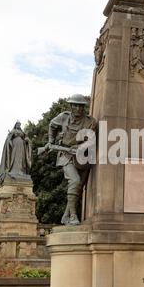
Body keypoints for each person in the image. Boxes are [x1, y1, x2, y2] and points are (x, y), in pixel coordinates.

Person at [45, 94, 97, 226]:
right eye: (75, 105)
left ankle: (65, 216)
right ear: (71, 106)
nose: (78, 108)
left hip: (83, 157)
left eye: (80, 106)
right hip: (65, 154)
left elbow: (92, 140)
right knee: (75, 181)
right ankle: (73, 216)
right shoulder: (64, 117)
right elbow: (52, 125)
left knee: (78, 188)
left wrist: (80, 147)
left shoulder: (91, 122)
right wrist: (51, 140)